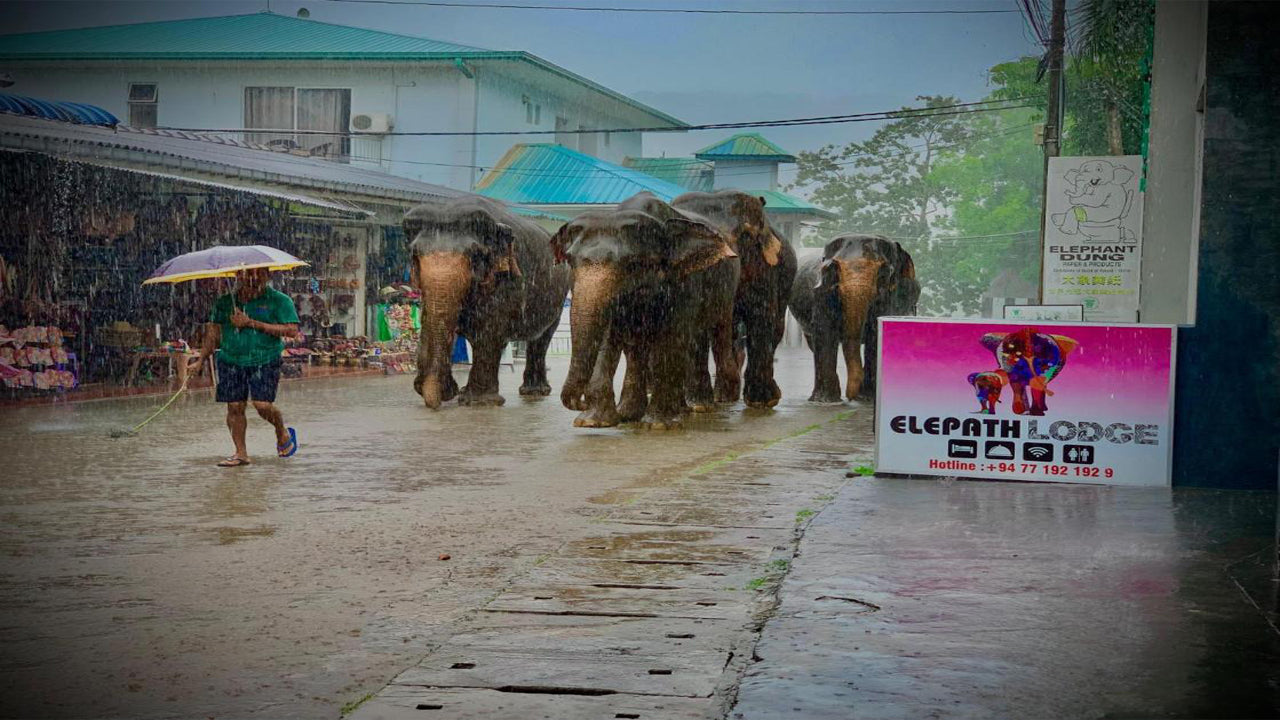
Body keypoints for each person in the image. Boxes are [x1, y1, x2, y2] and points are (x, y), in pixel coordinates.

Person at [189, 268, 300, 467]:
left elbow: (291, 330)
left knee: (262, 405)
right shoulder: (225, 302)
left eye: (258, 274)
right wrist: (200, 359)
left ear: (267, 276)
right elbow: (213, 334)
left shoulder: (279, 300)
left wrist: (251, 323)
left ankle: (281, 430)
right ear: (237, 277)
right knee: (234, 406)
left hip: (265, 358)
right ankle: (241, 453)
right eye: (247, 274)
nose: (253, 278)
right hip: (231, 358)